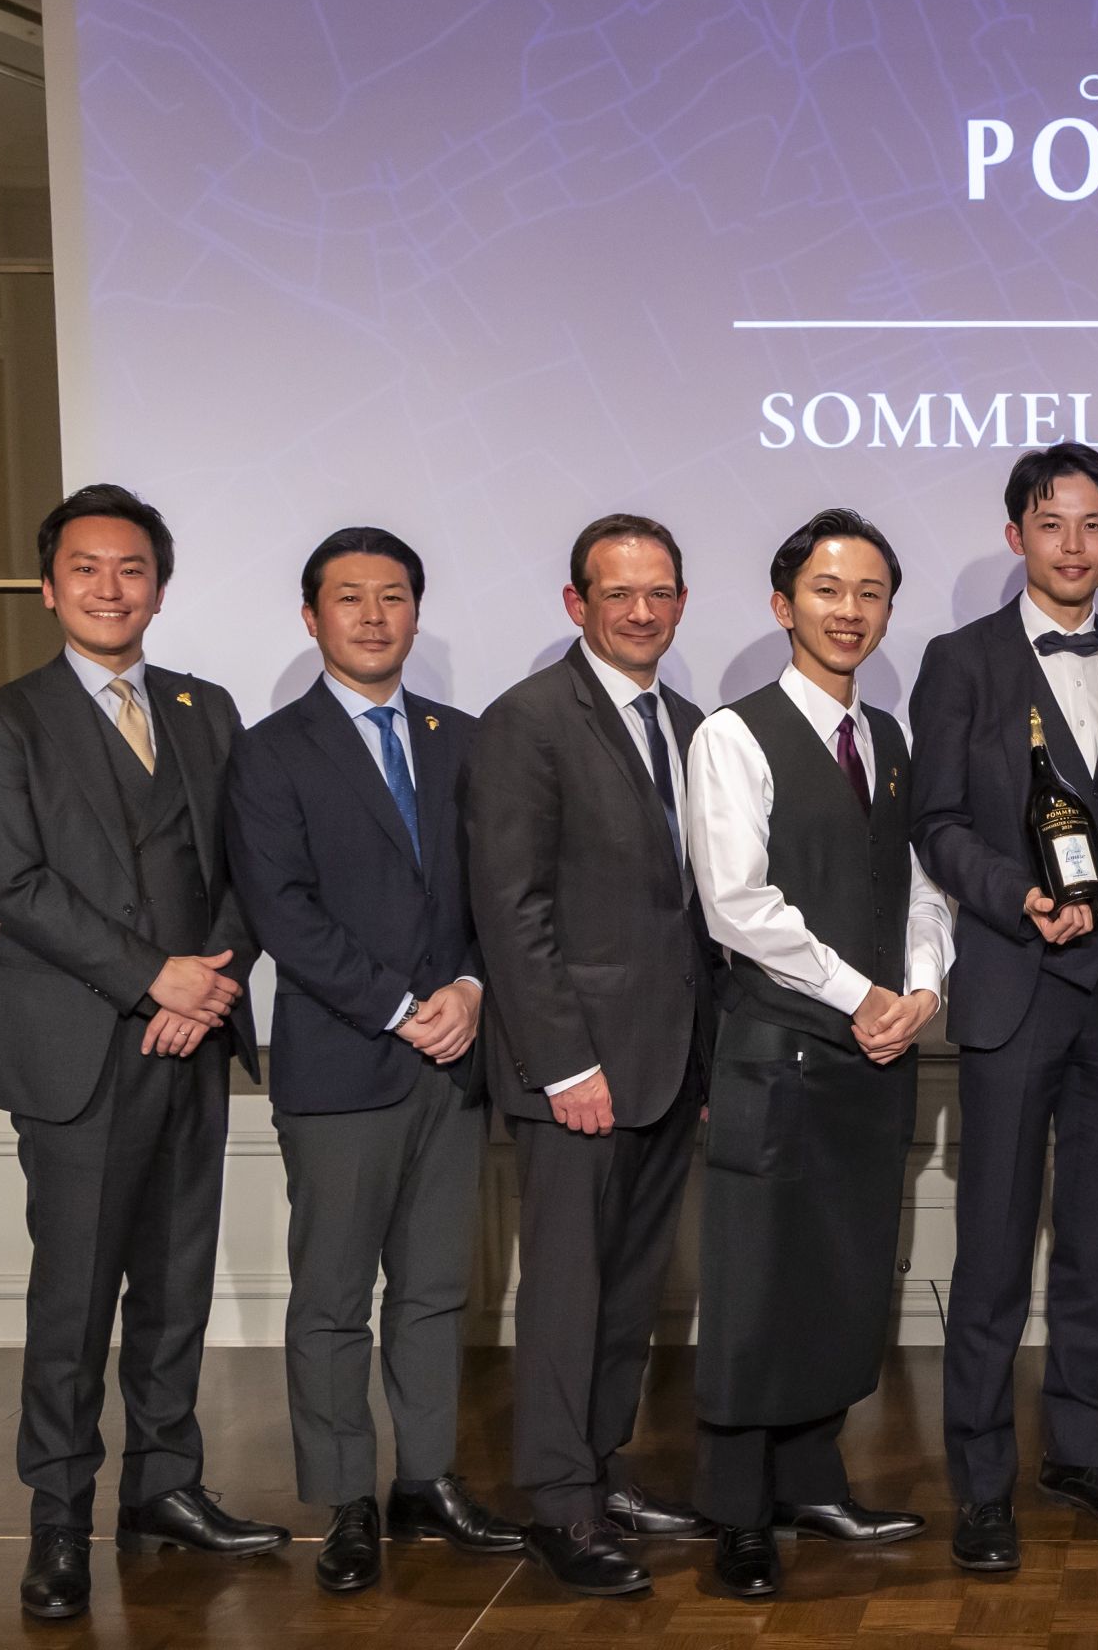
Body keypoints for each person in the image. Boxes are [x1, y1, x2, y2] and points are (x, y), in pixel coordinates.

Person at [0, 484, 284, 1620]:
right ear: (50, 589)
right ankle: (58, 1518)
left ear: (160, 586)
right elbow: (16, 881)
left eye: (132, 568)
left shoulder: (205, 706)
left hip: (192, 1041)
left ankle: (164, 1485)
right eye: (87, 568)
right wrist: (155, 976)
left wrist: (211, 981)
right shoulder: (4, 719)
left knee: (177, 1282)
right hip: (79, 1049)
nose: (111, 586)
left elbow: (249, 862)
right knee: (76, 1297)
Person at [222, 528, 522, 1593]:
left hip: (455, 1058)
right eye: (348, 597)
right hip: (343, 1063)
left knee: (436, 1290)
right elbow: (283, 912)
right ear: (312, 617)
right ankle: (347, 1497)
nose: (372, 615)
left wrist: (472, 986)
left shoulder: (465, 740)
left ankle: (425, 1478)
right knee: (334, 1297)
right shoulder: (269, 751)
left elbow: (499, 890)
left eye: (392, 596)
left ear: (415, 613)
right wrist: (401, 1007)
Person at [908, 445, 1098, 1575]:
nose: (1073, 543)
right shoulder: (958, 658)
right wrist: (1015, 897)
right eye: (1052, 522)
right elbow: (936, 821)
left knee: (1096, 1241)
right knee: (993, 1248)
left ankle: (1080, 1449)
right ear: (1016, 532)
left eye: (1094, 523)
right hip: (1015, 985)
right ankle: (981, 1482)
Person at [683, 509, 947, 1601]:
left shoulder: (888, 738)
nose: (850, 610)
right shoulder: (731, 735)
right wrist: (861, 992)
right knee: (756, 1285)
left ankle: (811, 1479)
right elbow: (736, 904)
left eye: (870, 593)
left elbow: (918, 884)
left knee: (842, 1278)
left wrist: (924, 986)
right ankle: (739, 1513)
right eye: (828, 590)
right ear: (783, 603)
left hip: (874, 1058)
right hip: (777, 1054)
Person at [468, 514, 716, 1597]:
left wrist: (705, 1058)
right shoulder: (526, 721)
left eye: (659, 592)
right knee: (568, 1293)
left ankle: (603, 1469)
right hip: (577, 1071)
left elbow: (693, 912)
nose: (641, 611)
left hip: (670, 1063)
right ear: (577, 603)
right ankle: (560, 1502)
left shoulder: (692, 725)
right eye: (619, 593)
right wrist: (564, 1064)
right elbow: (510, 909)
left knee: (628, 1289)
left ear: (681, 601)